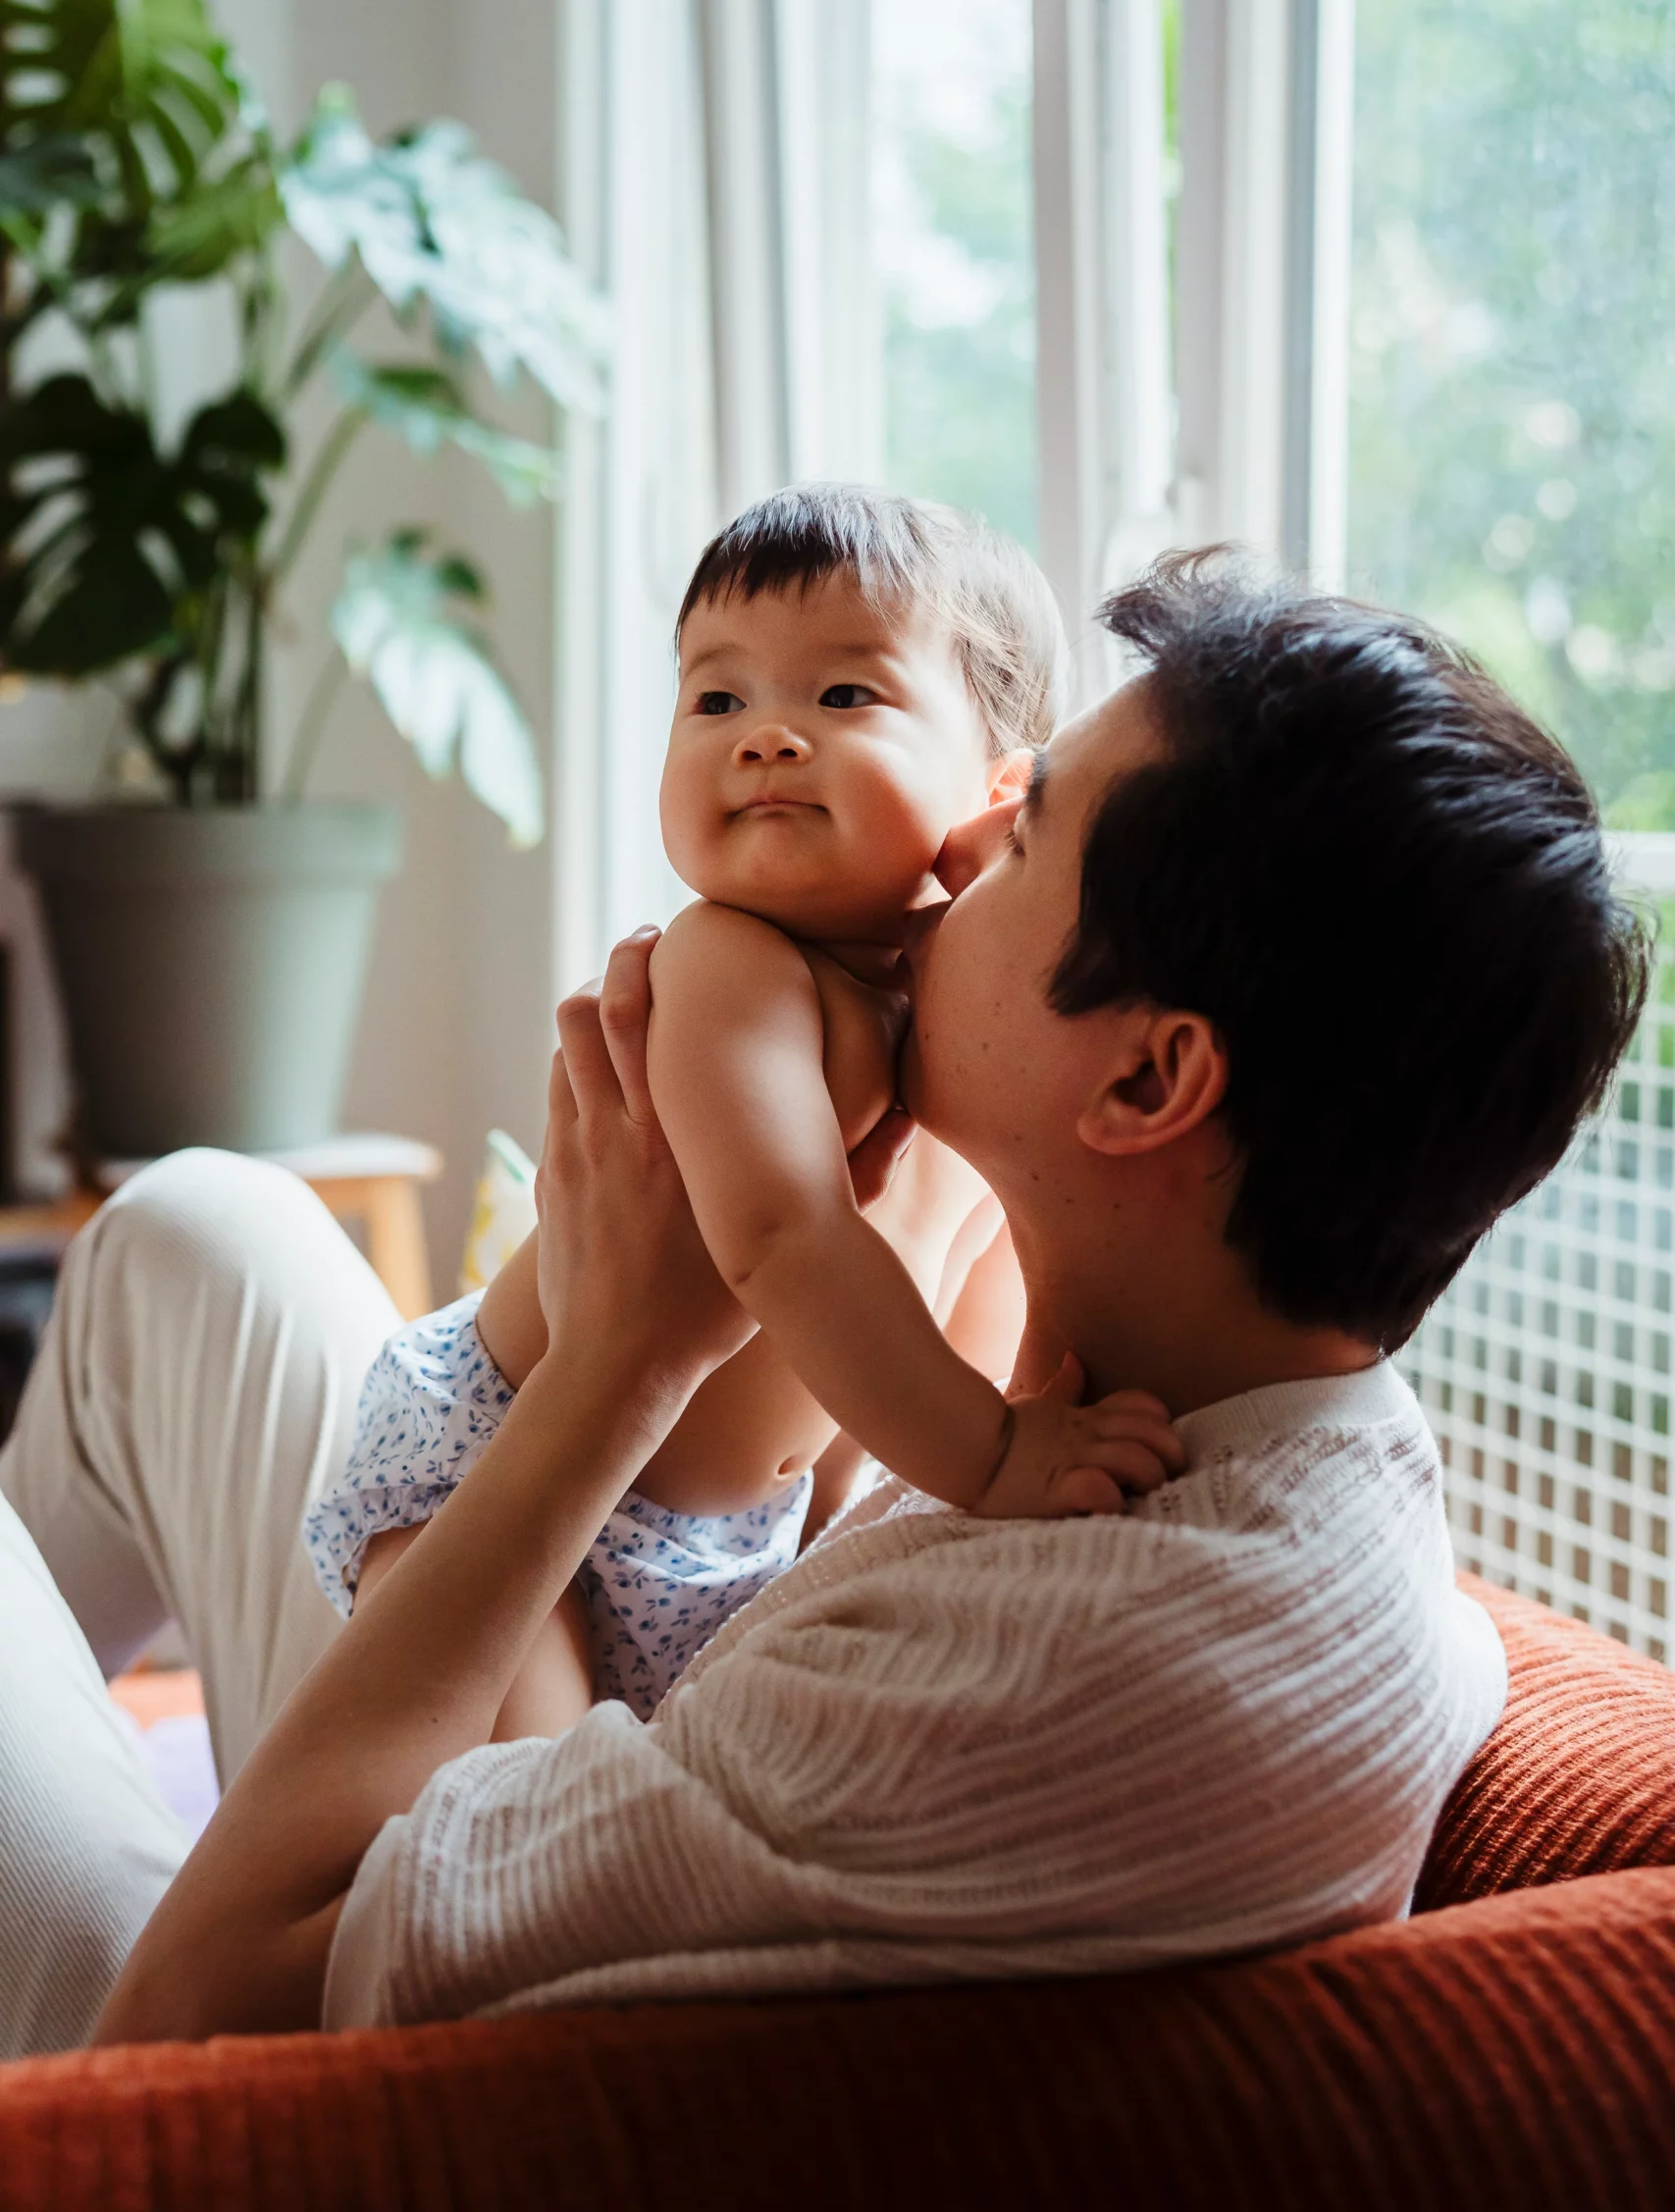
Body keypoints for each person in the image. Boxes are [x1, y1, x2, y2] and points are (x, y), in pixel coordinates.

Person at [0, 553, 1649, 2052]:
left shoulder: (1024, 1698)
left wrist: (620, 1363)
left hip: (194, 2040)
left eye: (1028, 831)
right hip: (488, 1792)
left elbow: (201, 2015)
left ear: (1149, 1076)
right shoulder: (1283, 1442)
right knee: (196, 1225)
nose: (953, 842)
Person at [304, 488, 1183, 1744]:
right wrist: (991, 1452)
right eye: (718, 699)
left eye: (843, 697)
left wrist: (1012, 1440)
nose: (765, 738)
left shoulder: (975, 1030)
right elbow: (781, 1240)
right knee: (505, 1824)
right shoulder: (732, 967)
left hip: (741, 1549)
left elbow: (963, 1285)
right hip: (516, 1484)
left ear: (996, 788)